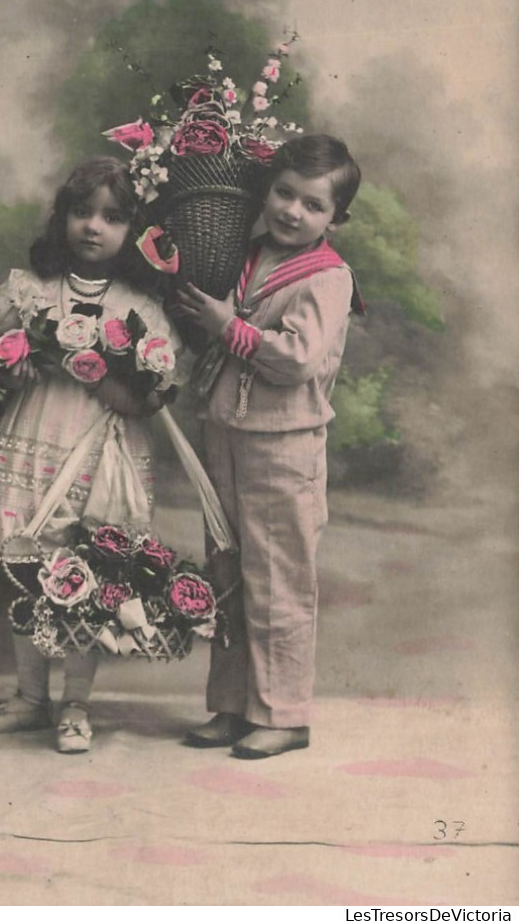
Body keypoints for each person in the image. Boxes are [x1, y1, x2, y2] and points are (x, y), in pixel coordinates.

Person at [0, 156, 181, 753]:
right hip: (38, 439)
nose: (93, 227)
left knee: (87, 574)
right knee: (30, 570)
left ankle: (76, 704)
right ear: (62, 218)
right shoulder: (30, 294)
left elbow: (144, 402)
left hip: (100, 447)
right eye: (81, 212)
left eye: (112, 217)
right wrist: (18, 363)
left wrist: (85, 368)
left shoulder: (141, 309)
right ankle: (31, 699)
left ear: (132, 230)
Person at [177, 134, 364, 759]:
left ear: (335, 218)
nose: (292, 211)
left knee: (279, 577)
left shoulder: (329, 278)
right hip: (224, 432)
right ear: (267, 191)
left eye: (313, 205)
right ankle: (234, 707)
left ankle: (284, 712)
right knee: (228, 572)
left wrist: (227, 326)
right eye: (284, 193)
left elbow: (297, 358)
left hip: (284, 445)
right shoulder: (242, 253)